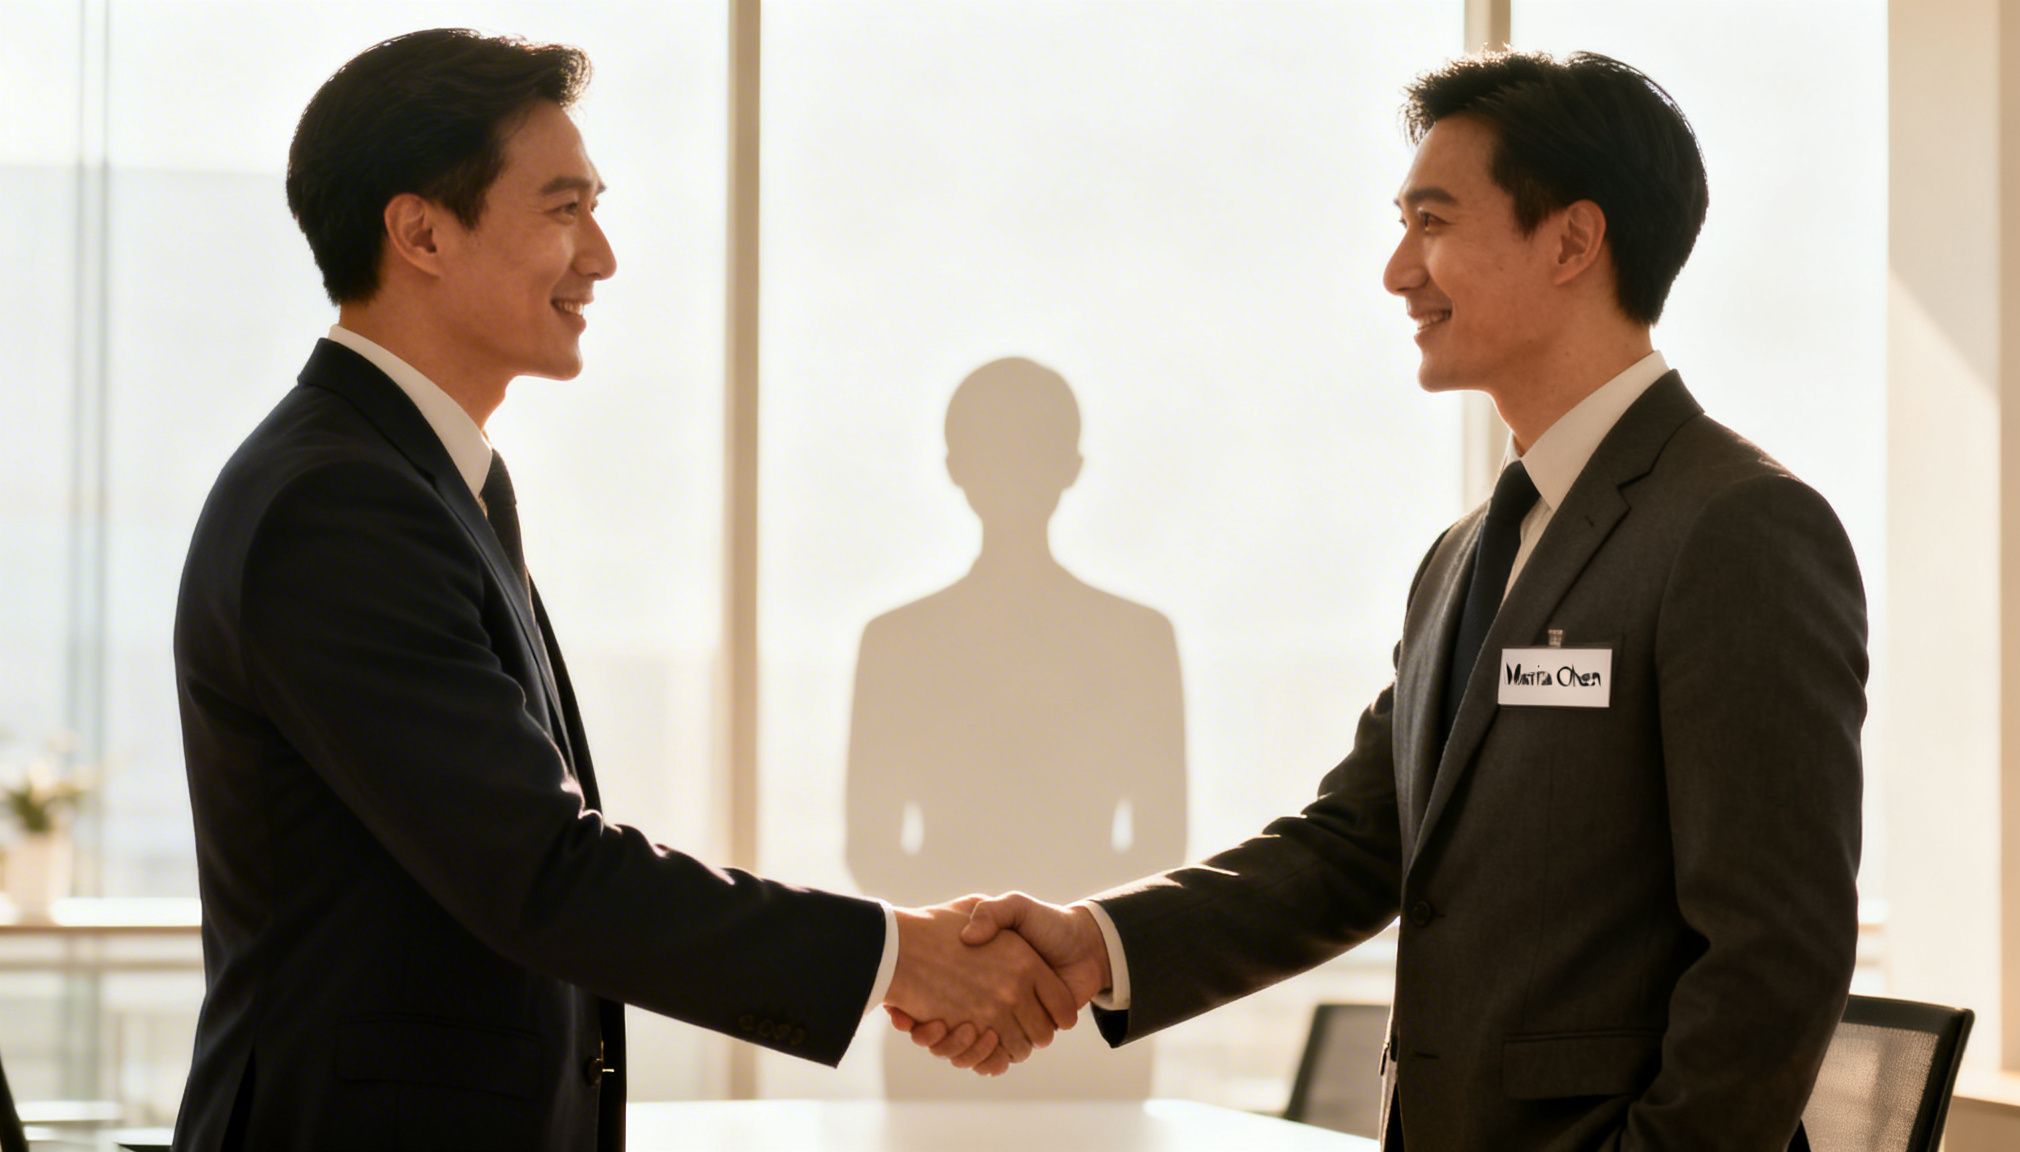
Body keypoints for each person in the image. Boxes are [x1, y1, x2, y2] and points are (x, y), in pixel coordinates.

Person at [901, 50, 1867, 1150]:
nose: (1397, 271)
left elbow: (1773, 956)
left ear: (1571, 241)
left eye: (1433, 222)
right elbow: (1354, 848)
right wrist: (1094, 943)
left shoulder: (1737, 529)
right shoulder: (1465, 554)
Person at [171, 28, 1073, 1151]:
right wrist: (900, 955)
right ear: (420, 232)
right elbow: (542, 873)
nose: (600, 256)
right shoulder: (339, 507)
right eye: (561, 209)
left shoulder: (420, 479)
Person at [845, 357, 1186, 1099]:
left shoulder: (900, 640)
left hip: (961, 1006)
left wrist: (969, 958)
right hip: (1069, 1001)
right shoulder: (1135, 639)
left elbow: (873, 850)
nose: (1011, 472)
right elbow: (1161, 845)